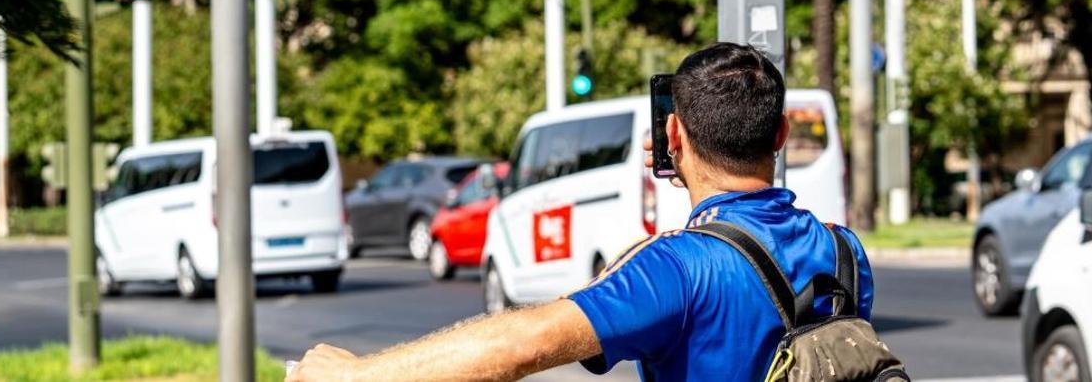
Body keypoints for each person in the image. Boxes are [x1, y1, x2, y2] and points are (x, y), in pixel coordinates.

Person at [287, 43, 874, 382]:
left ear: (672, 133)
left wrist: (356, 376)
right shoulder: (847, 253)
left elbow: (526, 341)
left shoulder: (674, 268)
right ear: (780, 134)